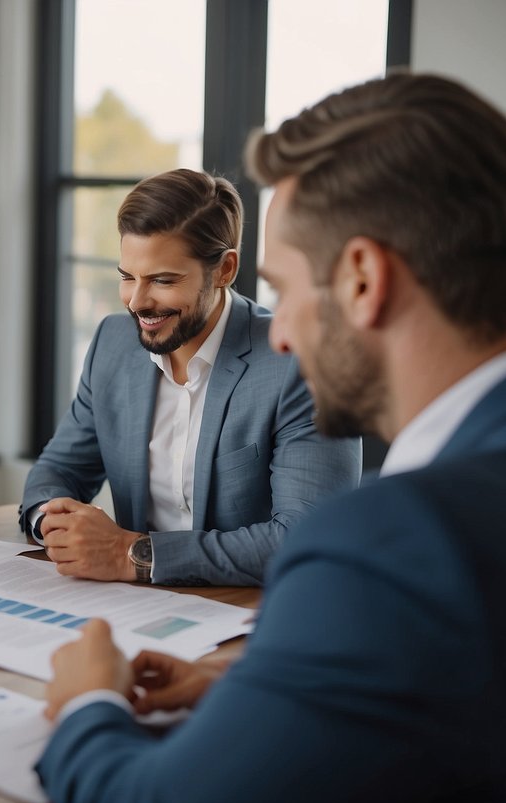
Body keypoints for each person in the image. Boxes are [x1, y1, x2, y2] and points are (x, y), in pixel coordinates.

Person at [36, 73, 506, 803]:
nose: (277, 332)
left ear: (363, 280)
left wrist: (87, 703)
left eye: (286, 287)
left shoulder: (391, 543)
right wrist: (248, 682)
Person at [20, 169, 359, 586]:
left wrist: (131, 556)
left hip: (254, 615)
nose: (138, 302)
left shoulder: (299, 366)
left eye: (163, 280)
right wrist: (53, 524)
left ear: (224, 270)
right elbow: (59, 469)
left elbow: (306, 538)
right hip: (129, 606)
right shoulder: (113, 343)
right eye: (128, 277)